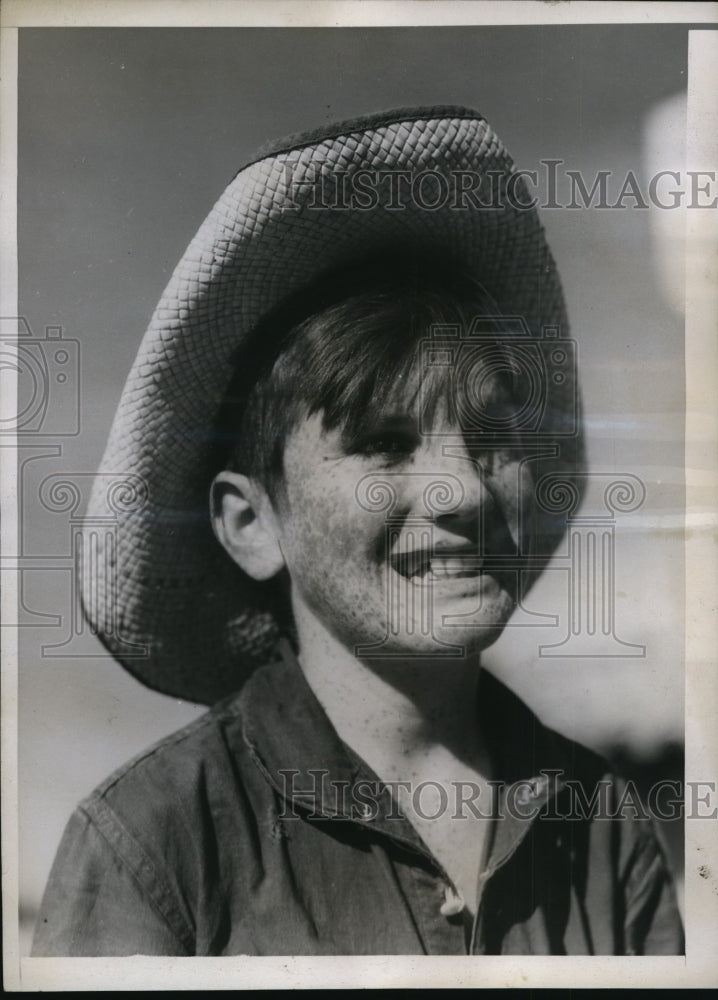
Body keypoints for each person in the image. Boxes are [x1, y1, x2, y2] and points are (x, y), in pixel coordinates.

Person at [32, 106, 684, 956]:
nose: (461, 494)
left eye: (492, 440)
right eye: (383, 443)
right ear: (250, 524)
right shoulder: (152, 849)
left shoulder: (602, 826)